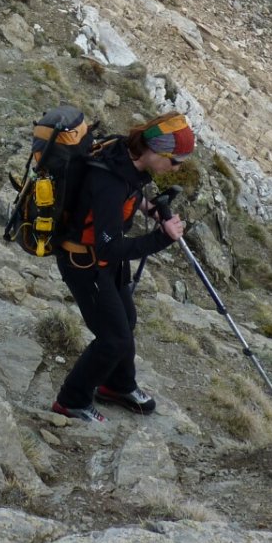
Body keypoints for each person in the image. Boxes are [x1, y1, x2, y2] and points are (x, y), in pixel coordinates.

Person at [50, 111, 192, 422]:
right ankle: (71, 401)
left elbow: (132, 187)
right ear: (155, 151)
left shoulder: (122, 151)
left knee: (126, 320)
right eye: (175, 160)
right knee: (113, 339)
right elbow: (111, 246)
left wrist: (149, 207)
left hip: (101, 262)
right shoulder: (109, 183)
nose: (178, 167)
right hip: (84, 263)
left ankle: (117, 385)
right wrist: (161, 238)